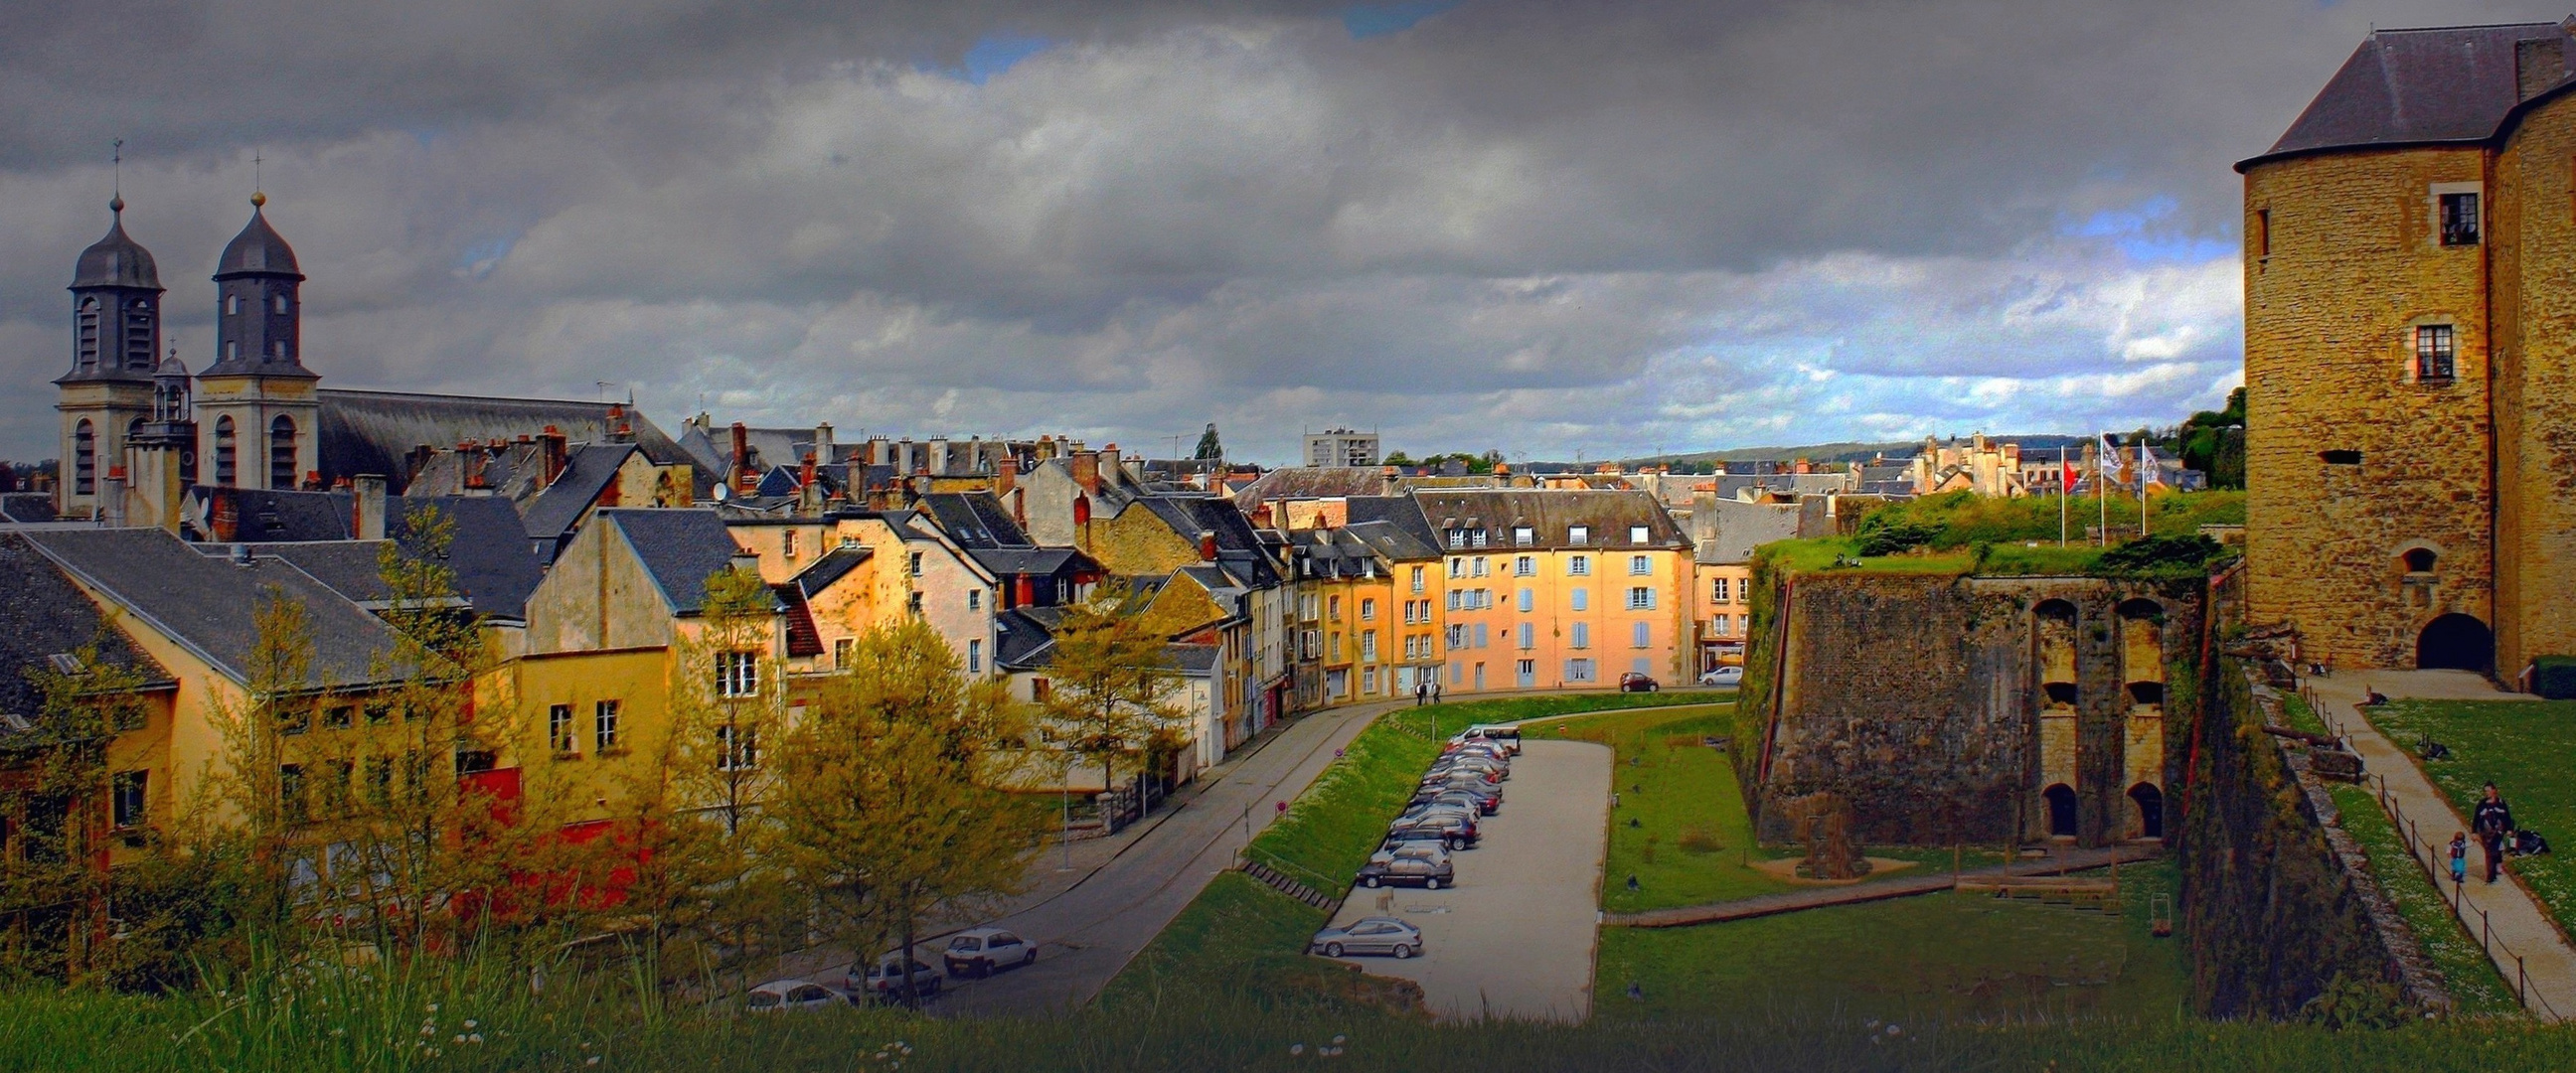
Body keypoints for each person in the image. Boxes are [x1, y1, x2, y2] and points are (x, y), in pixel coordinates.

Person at [2475, 783, 2515, 882]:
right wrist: (2474, 832)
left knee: (2494, 852)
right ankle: (2491, 876)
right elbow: (2476, 818)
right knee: (2489, 853)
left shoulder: (2501, 803)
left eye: (2488, 790)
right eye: (2485, 791)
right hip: (2485, 832)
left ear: (2494, 791)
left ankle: (2493, 873)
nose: (2486, 793)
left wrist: (2509, 829)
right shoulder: (2482, 804)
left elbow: (2507, 816)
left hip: (2498, 832)